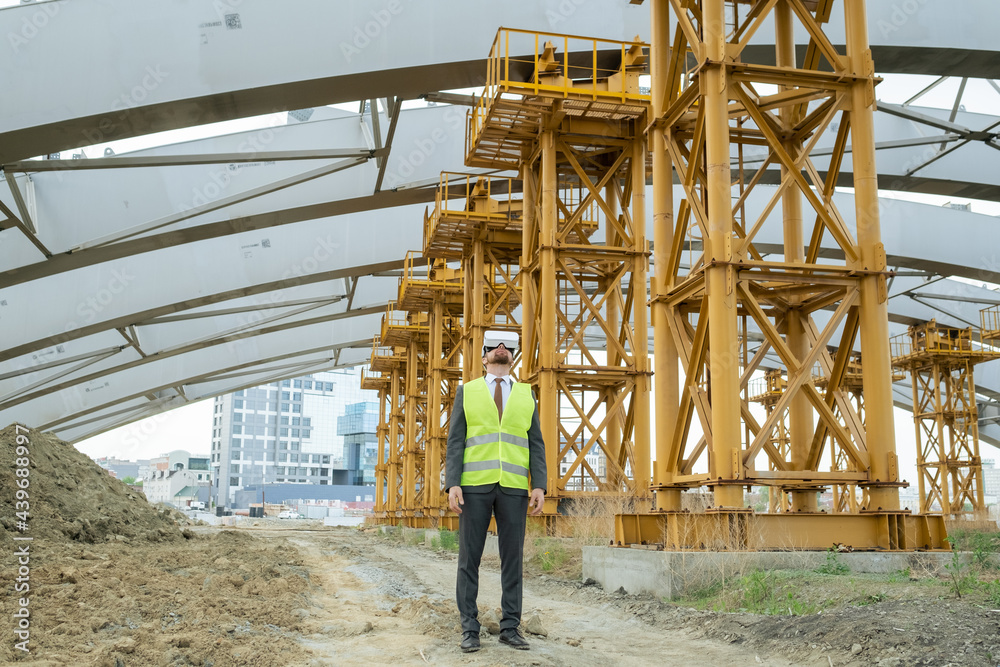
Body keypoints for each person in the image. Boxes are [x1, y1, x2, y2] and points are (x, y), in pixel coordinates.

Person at [445, 330, 546, 653]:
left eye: (507, 347)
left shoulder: (527, 394)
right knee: (469, 559)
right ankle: (469, 628)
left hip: (514, 488)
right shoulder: (468, 391)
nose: (501, 350)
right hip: (474, 487)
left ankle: (510, 628)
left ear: (512, 356)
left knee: (513, 560)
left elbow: (536, 443)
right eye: (495, 346)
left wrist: (540, 484)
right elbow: (456, 440)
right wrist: (453, 483)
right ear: (484, 355)